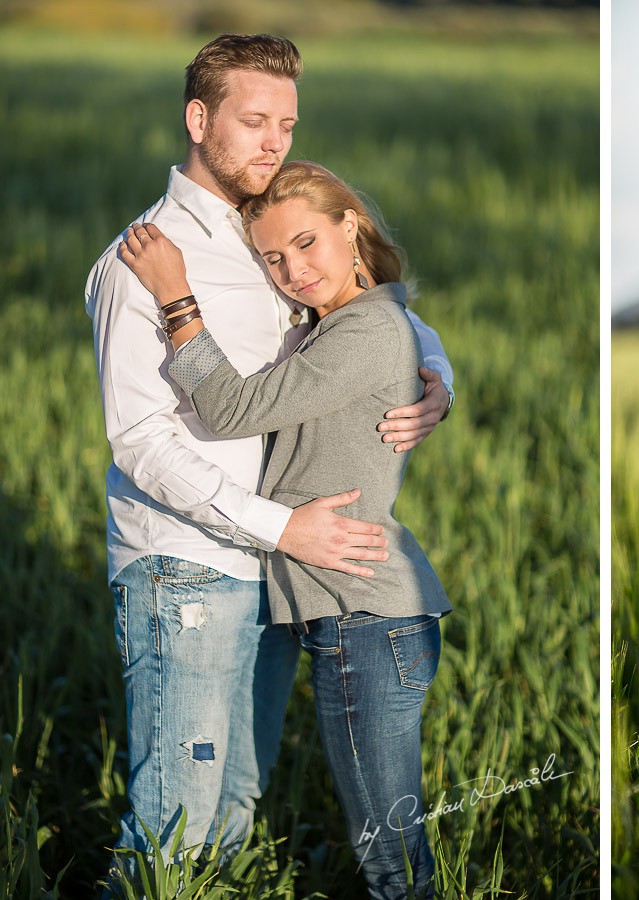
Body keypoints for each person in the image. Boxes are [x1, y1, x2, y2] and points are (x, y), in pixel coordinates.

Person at [84, 34, 453, 879]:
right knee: (175, 822)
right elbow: (140, 441)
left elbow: (365, 310)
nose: (273, 142)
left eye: (286, 123)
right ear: (197, 117)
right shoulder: (141, 258)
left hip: (279, 570)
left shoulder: (264, 230)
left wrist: (437, 377)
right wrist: (278, 527)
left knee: (234, 807)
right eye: (254, 121)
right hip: (190, 564)